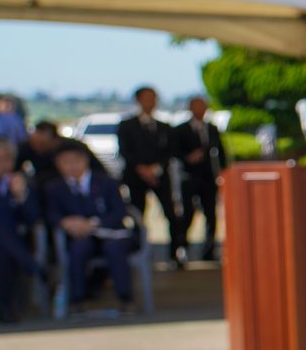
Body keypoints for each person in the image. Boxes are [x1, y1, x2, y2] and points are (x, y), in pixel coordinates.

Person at [45, 140, 137, 317]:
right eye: (65, 162)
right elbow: (51, 214)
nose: (71, 167)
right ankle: (77, 299)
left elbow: (120, 211)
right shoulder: (54, 188)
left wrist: (95, 223)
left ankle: (126, 298)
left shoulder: (107, 183)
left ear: (85, 161)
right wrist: (67, 223)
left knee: (114, 249)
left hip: (110, 233)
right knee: (79, 249)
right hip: (78, 236)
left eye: (75, 161)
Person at [0, 138, 43, 323]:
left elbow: (33, 219)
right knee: (1, 237)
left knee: (4, 250)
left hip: (7, 243)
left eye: (7, 158)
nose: (3, 163)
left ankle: (4, 308)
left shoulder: (22, 183)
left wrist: (21, 195)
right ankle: (33, 266)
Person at [117, 86, 178, 265]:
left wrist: (156, 168)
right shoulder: (127, 125)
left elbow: (170, 152)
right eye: (147, 97)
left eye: (154, 98)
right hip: (135, 177)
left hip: (160, 175)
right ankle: (138, 252)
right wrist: (141, 169)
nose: (151, 101)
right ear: (138, 100)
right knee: (137, 214)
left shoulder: (164, 127)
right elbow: (124, 151)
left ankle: (175, 252)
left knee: (170, 212)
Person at [171, 97, 229, 263]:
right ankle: (181, 248)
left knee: (211, 215)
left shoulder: (212, 128)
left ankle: (208, 251)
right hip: (188, 178)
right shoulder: (180, 130)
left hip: (207, 178)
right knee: (187, 214)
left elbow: (221, 152)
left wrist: (223, 173)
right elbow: (174, 152)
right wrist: (188, 158)